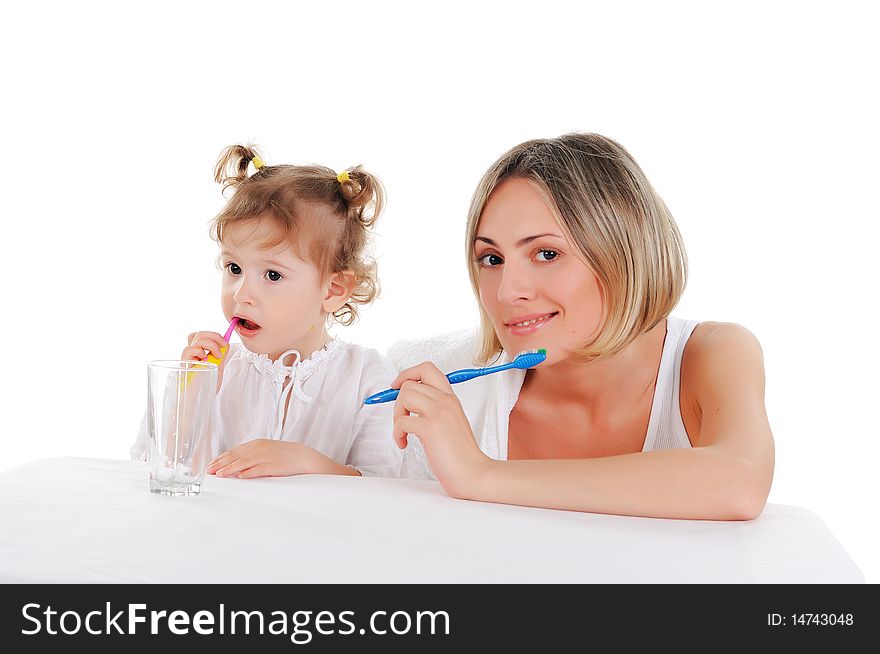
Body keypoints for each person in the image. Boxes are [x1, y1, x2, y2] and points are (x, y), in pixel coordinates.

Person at [388, 133, 774, 519]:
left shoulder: (713, 352)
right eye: (491, 259)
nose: (507, 292)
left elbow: (739, 483)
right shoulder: (433, 378)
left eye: (546, 253)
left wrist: (479, 474)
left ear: (623, 254)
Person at [132, 144, 401, 479]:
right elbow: (152, 468)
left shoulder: (366, 376)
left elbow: (385, 489)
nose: (241, 293)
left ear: (333, 290)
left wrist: (307, 462)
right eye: (233, 268)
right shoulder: (222, 370)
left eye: (272, 275)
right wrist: (190, 397)